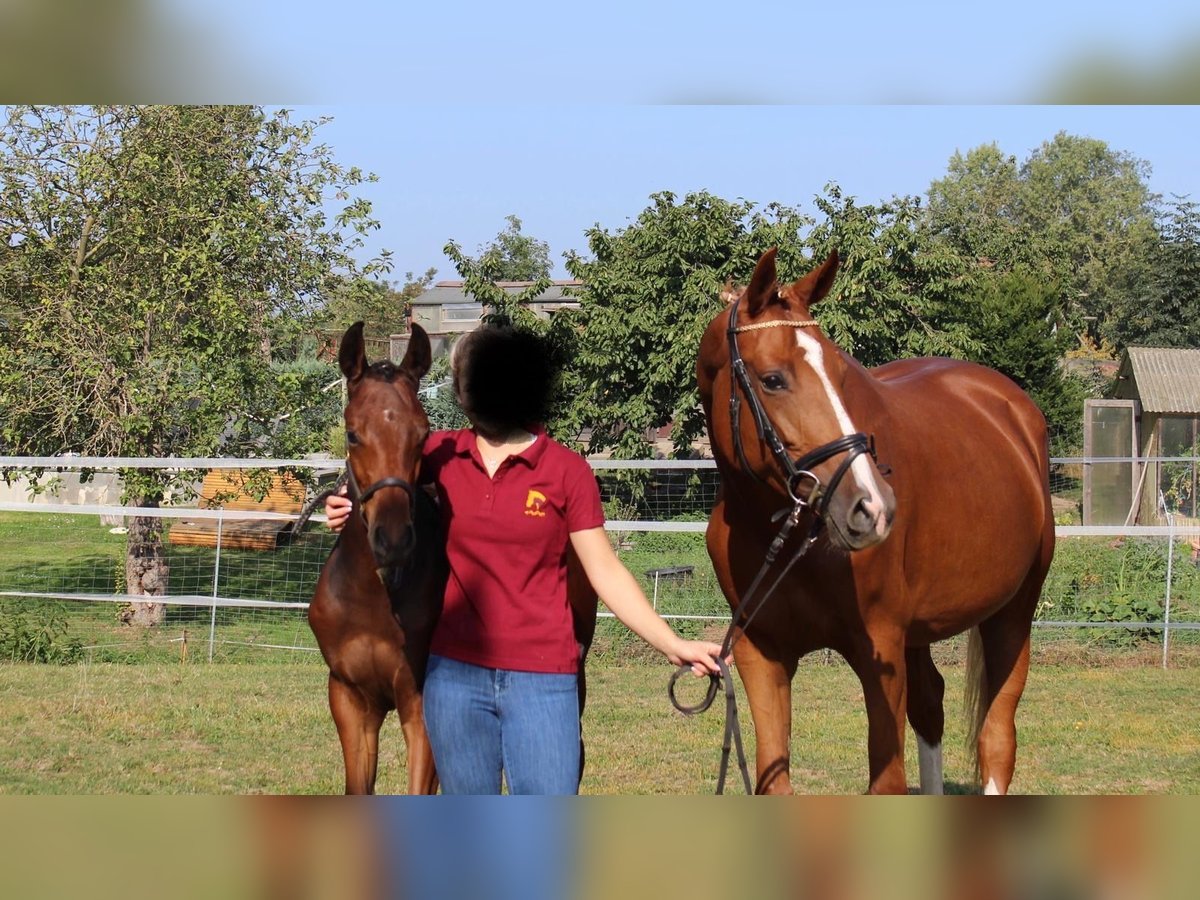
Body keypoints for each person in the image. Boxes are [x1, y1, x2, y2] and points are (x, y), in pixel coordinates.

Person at [325, 324, 723, 795]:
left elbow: (605, 571)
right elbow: (383, 453)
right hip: (457, 679)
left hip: (543, 680)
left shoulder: (566, 471)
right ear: (462, 392)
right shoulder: (444, 454)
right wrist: (346, 499)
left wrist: (672, 643)